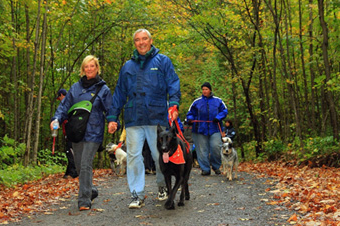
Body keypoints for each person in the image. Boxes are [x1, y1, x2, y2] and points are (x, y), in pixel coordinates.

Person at [107, 28, 181, 209]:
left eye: (144, 39)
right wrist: (112, 117)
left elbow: (173, 83)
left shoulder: (163, 61)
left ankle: (163, 186)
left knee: (159, 155)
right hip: (134, 117)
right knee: (133, 157)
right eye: (138, 40)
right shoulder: (127, 67)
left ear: (150, 40)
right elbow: (119, 93)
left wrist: (174, 104)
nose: (141, 42)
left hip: (157, 117)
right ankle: (136, 194)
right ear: (135, 43)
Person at [51, 55, 112, 211]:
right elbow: (64, 107)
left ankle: (84, 200)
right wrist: (56, 119)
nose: (89, 69)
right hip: (76, 132)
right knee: (79, 167)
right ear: (82, 69)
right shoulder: (75, 88)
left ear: (97, 68)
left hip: (94, 132)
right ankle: (90, 191)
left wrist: (113, 121)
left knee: (85, 164)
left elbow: (110, 109)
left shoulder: (103, 90)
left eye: (92, 66)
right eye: (86, 66)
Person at [186, 82, 228, 176]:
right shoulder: (197, 102)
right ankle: (205, 169)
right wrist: (190, 120)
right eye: (203, 89)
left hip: (215, 128)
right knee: (202, 150)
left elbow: (224, 111)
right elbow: (190, 113)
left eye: (206, 89)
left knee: (216, 147)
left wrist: (218, 117)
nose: (204, 91)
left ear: (210, 90)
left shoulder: (218, 101)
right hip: (199, 129)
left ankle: (216, 166)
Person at [56, 88, 78, 179]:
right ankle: (68, 172)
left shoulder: (67, 103)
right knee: (70, 151)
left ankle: (74, 172)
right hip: (74, 132)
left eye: (59, 97)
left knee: (70, 152)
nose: (59, 100)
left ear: (61, 95)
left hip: (71, 132)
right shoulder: (73, 101)